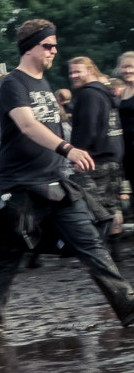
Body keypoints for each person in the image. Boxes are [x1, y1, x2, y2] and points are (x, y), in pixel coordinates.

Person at [0, 20, 134, 338]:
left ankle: (129, 310)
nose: (54, 50)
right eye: (48, 45)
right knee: (6, 259)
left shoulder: (44, 83)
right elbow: (26, 125)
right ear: (30, 47)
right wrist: (68, 149)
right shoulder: (14, 83)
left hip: (56, 184)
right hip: (21, 187)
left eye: (55, 45)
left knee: (93, 245)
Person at [68, 55, 124, 258]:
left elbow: (89, 127)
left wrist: (78, 153)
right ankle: (115, 253)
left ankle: (99, 254)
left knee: (93, 209)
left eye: (77, 71)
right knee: (112, 207)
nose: (73, 76)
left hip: (94, 160)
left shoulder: (89, 94)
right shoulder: (105, 92)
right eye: (71, 72)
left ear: (90, 70)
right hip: (113, 157)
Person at [114, 51, 134, 197]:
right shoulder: (124, 91)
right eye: (124, 67)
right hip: (127, 149)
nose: (127, 70)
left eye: (130, 67)